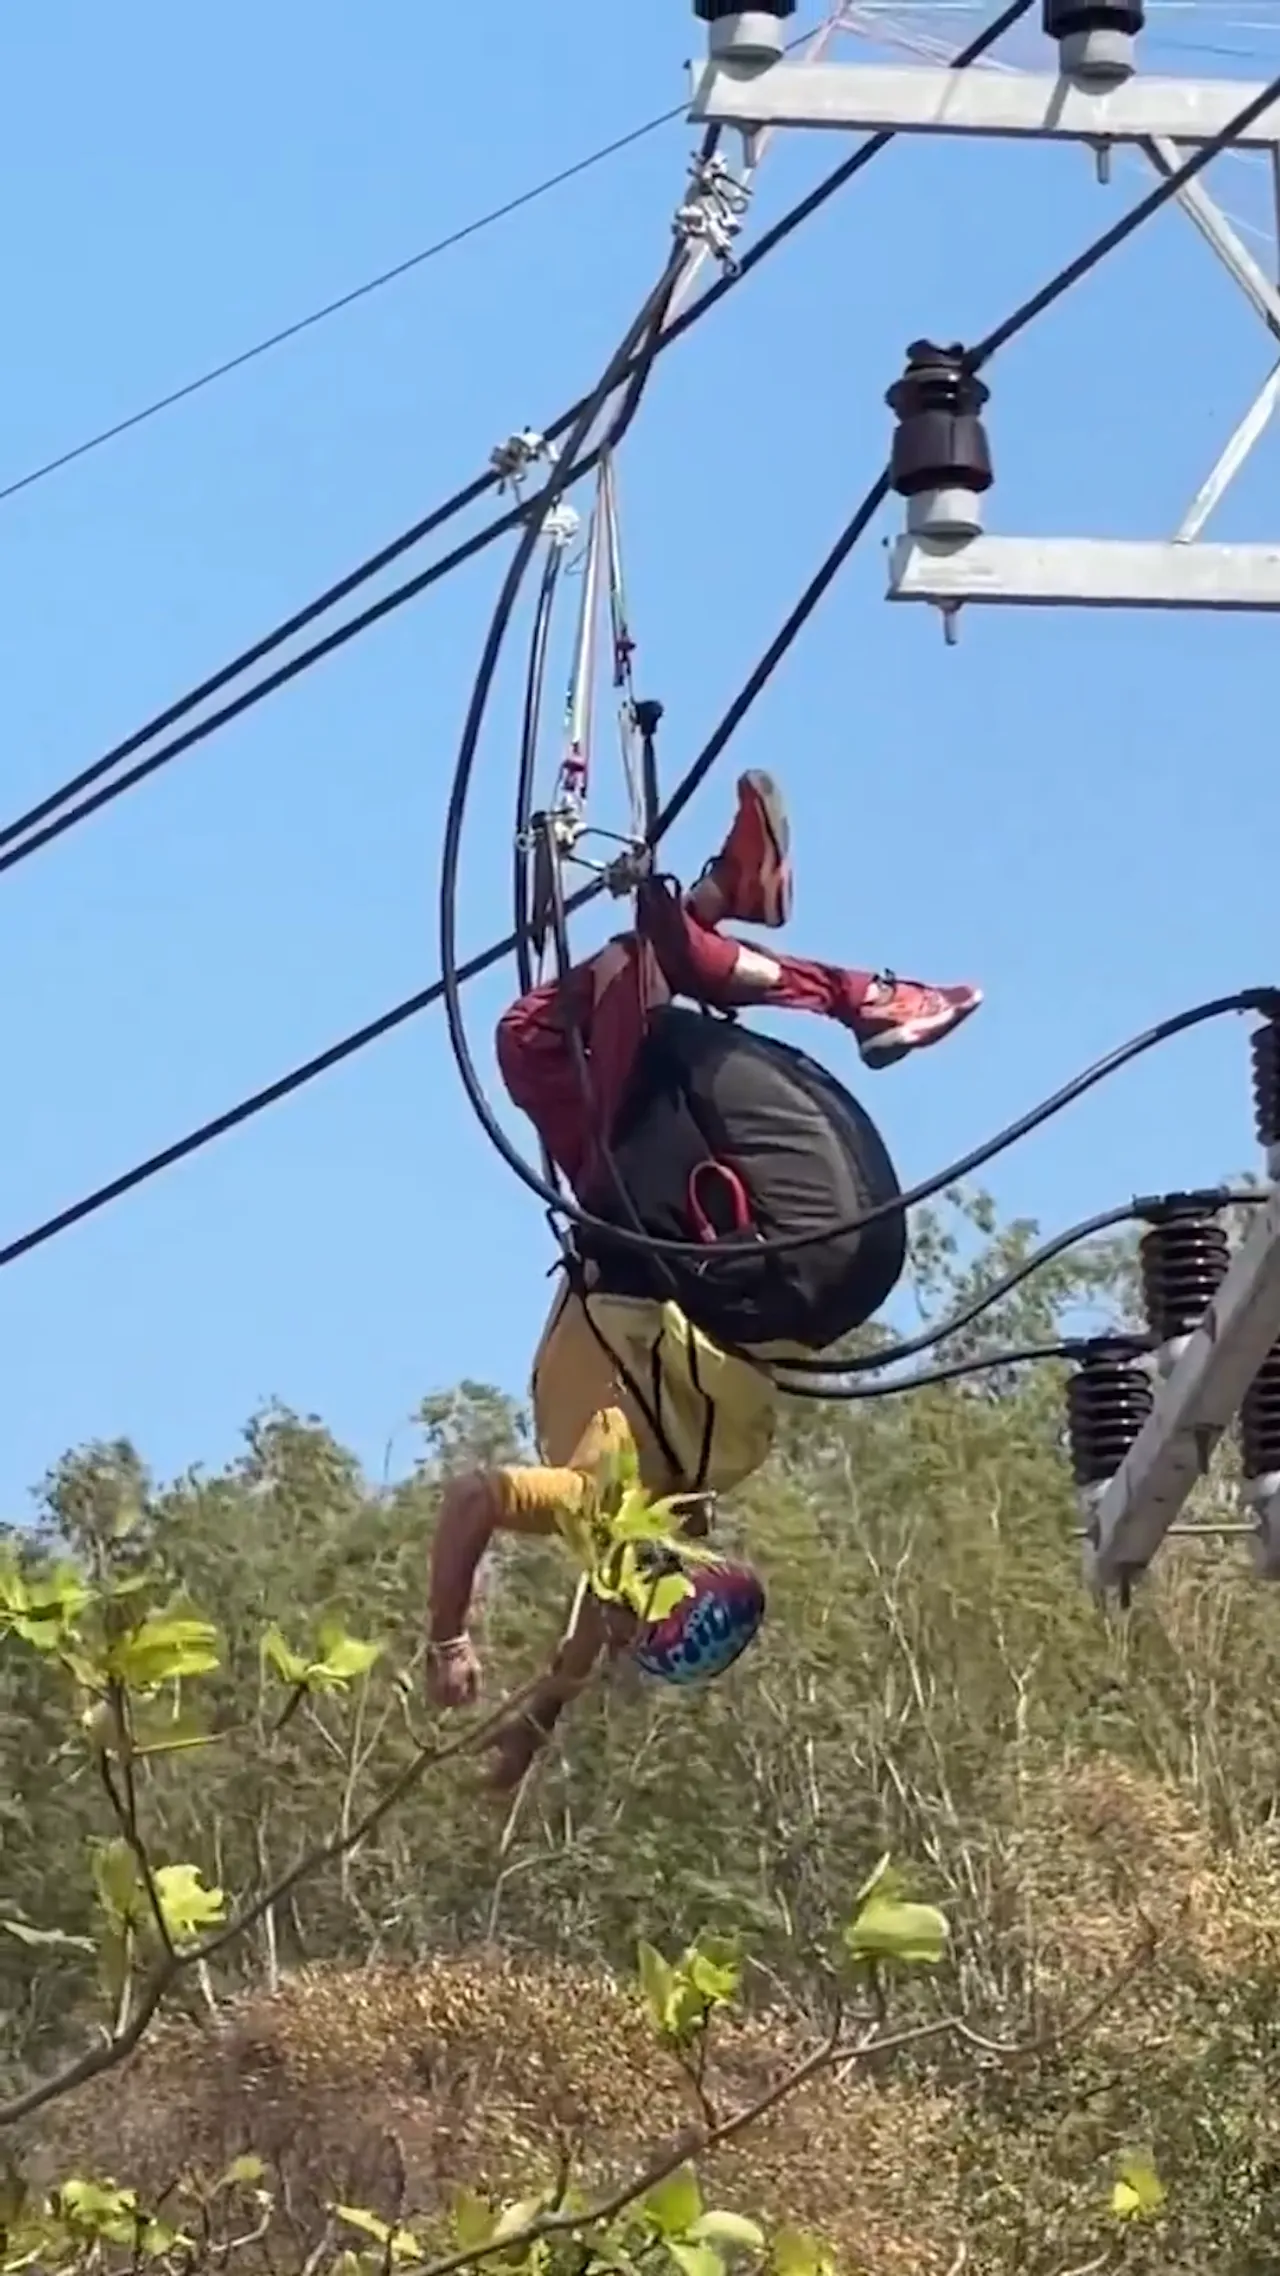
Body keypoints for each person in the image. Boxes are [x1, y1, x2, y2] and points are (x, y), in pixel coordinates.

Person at [427, 773, 981, 1787]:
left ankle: (724, 903)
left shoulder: (680, 1489)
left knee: (604, 1019)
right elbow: (473, 1496)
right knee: (544, 1038)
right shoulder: (607, 1502)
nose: (614, 1612)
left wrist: (533, 1729)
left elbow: (579, 1645)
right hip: (672, 1221)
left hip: (738, 1240)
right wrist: (447, 1638)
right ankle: (851, 986)